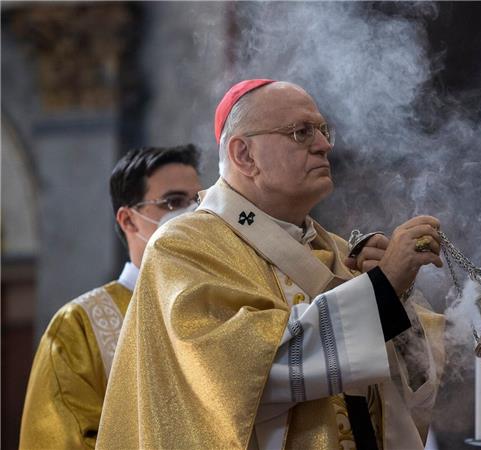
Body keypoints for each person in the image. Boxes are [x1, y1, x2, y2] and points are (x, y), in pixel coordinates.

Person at [97, 79, 446, 450]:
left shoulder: (339, 250)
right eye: (301, 132)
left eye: (324, 131)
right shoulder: (184, 247)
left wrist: (398, 298)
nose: (325, 145)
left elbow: (402, 386)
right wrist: (380, 291)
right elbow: (247, 373)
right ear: (244, 155)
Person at [19, 144, 203, 449]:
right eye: (173, 202)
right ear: (128, 220)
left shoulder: (220, 305)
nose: (192, 214)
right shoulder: (79, 326)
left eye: (198, 201)